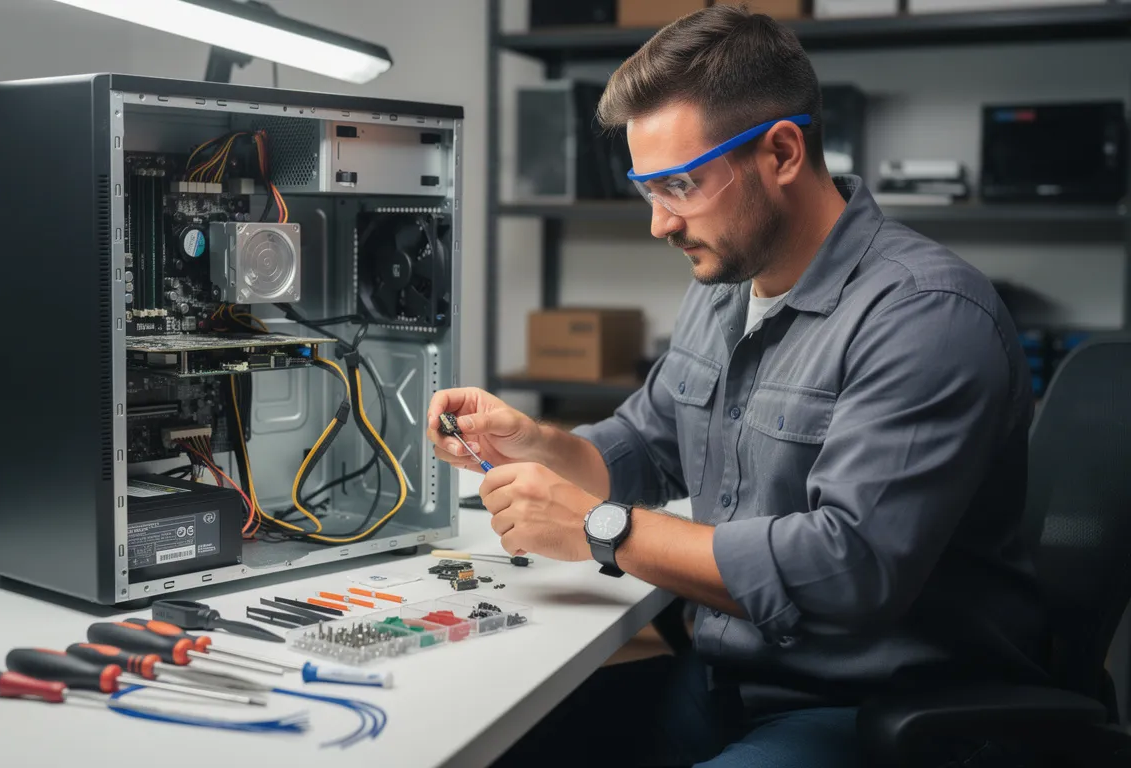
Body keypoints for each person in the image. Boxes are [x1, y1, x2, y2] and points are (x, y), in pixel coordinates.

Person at [426, 6, 1048, 767]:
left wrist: (602, 529)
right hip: (724, 676)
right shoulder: (727, 283)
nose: (658, 223)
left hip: (871, 707)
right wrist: (535, 444)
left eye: (680, 185)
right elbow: (647, 448)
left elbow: (848, 572)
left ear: (782, 151)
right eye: (644, 187)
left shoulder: (927, 316)